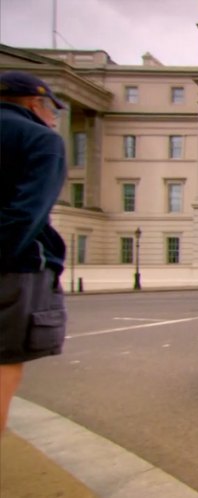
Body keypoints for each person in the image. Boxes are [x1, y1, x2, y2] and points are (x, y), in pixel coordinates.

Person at [0, 71, 68, 433]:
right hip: (14, 269)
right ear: (33, 104)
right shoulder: (41, 139)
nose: (56, 119)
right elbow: (28, 212)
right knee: (5, 360)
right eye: (53, 110)